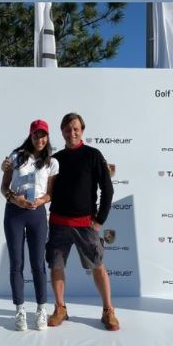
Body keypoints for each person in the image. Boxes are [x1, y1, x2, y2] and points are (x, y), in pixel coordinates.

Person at [46, 112, 119, 331]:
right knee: (56, 266)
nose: (72, 133)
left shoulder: (93, 155)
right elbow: (45, 188)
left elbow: (108, 189)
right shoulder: (55, 159)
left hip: (85, 224)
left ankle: (108, 311)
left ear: (82, 130)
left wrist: (100, 220)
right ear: (62, 132)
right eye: (68, 129)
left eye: (76, 129)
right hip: (58, 223)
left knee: (97, 266)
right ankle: (60, 308)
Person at [1, 119, 58, 331]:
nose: (39, 139)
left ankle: (41, 309)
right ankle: (20, 310)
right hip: (14, 213)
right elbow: (3, 187)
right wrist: (15, 199)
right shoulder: (15, 156)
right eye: (36, 135)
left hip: (37, 214)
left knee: (38, 264)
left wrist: (40, 201)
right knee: (16, 263)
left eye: (43, 135)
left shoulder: (52, 162)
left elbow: (51, 193)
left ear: (47, 137)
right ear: (30, 135)